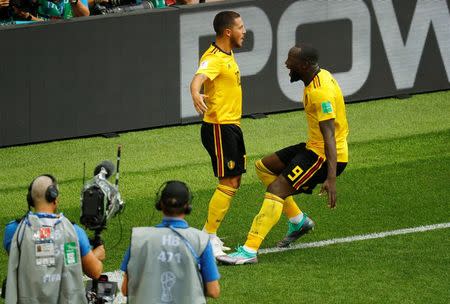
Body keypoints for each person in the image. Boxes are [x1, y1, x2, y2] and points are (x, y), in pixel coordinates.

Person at [217, 44, 349, 265]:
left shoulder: (320, 93)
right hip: (314, 148)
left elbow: (330, 138)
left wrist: (331, 178)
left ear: (305, 65)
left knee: (277, 189)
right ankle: (298, 221)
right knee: (264, 167)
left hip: (323, 157)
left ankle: (249, 251)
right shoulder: (319, 76)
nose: (287, 64)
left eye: (291, 62)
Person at [189, 10, 246, 257]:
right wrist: (194, 93)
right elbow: (198, 78)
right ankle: (207, 236)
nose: (244, 31)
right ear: (228, 31)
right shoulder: (213, 58)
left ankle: (209, 234)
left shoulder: (227, 53)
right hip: (219, 127)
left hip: (231, 126)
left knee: (234, 180)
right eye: (241, 27)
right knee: (229, 181)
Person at [3, 174, 105, 303]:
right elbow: (95, 272)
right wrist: (97, 254)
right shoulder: (74, 232)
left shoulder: (13, 231)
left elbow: (30, 259)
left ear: (30, 199)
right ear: (54, 198)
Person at [120, 180, 220, 304]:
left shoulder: (139, 239)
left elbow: (125, 290)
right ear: (187, 206)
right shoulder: (201, 240)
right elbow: (213, 291)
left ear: (160, 204)